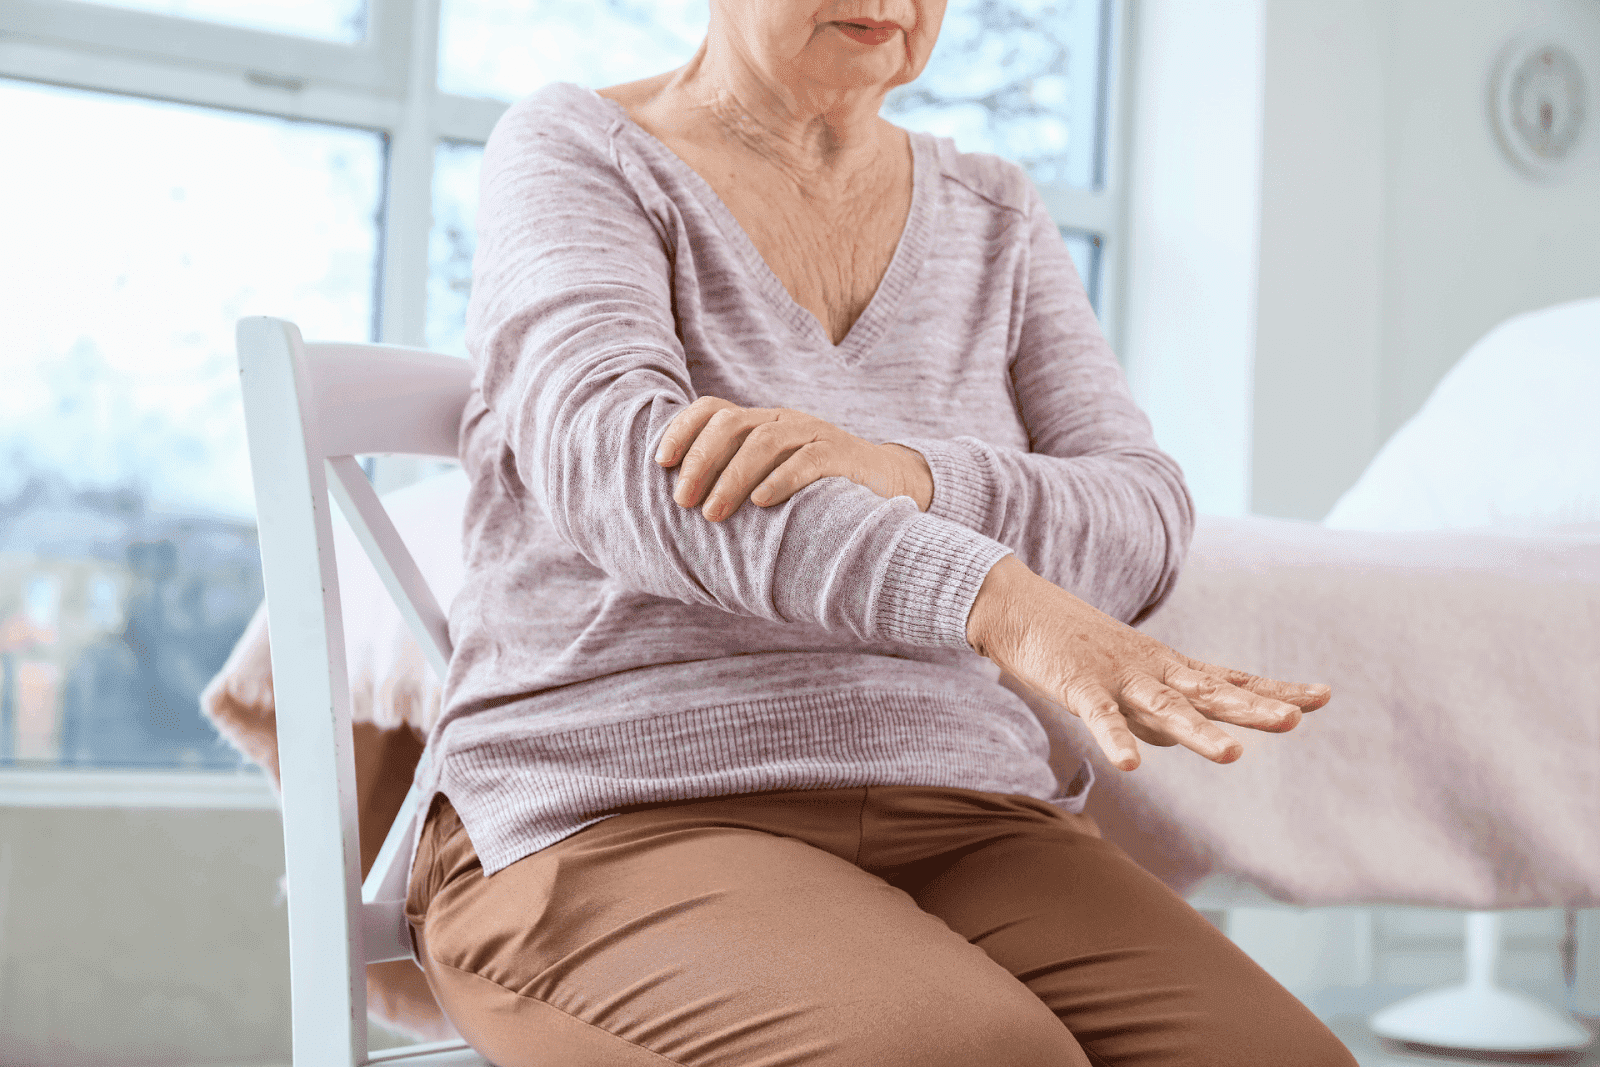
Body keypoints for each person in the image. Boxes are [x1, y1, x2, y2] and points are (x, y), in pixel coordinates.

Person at [403, 3, 1356, 1064]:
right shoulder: (577, 147)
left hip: (966, 807)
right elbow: (625, 468)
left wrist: (906, 472)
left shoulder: (995, 211)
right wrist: (995, 597)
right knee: (972, 1052)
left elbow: (1141, 517)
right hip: (617, 804)